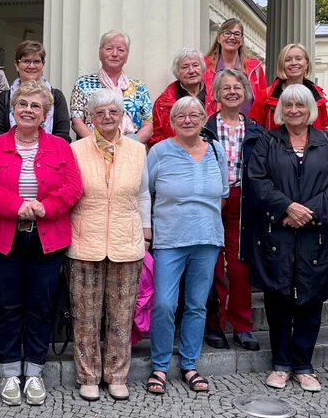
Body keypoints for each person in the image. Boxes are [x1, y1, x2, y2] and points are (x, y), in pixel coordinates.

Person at [0, 81, 82, 407]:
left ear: (45, 113)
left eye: (35, 106)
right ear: (13, 108)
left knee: (41, 304)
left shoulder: (60, 148)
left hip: (47, 237)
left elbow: (73, 186)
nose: (28, 110)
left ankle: (34, 371)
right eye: (22, 104)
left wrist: (45, 207)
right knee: (7, 305)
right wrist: (16, 206)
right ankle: (9, 372)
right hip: (4, 237)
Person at [243, 84, 328, 392]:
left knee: (310, 301)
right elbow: (257, 181)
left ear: (310, 109)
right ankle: (281, 364)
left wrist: (307, 212)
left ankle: (304, 365)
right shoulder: (267, 141)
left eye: (300, 105)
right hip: (279, 232)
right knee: (279, 300)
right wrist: (287, 207)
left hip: (315, 234)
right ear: (280, 110)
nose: (294, 110)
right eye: (288, 106)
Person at [66, 89, 151, 401]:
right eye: (100, 113)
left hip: (125, 238)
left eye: (113, 112)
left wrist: (146, 231)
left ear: (122, 115)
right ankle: (88, 375)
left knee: (121, 313)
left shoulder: (137, 150)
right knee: (85, 314)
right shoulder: (75, 150)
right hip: (85, 237)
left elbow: (142, 194)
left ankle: (117, 375)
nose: (107, 118)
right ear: (91, 117)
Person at [145, 97, 228, 397]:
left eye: (195, 114)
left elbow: (223, 194)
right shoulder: (159, 152)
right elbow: (148, 194)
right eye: (181, 115)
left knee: (196, 304)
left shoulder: (217, 151)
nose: (188, 120)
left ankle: (190, 364)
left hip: (207, 239)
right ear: (172, 120)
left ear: (205, 118)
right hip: (169, 239)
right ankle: (160, 365)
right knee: (165, 303)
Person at [203, 69, 264, 352]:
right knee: (213, 266)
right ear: (216, 94)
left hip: (243, 201)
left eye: (237, 87)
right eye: (225, 87)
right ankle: (215, 325)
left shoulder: (255, 130)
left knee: (240, 267)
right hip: (211, 201)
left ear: (245, 93)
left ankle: (243, 326)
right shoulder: (205, 129)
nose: (231, 92)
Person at [69, 30, 153, 142]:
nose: (114, 54)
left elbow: (148, 124)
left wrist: (130, 146)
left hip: (131, 151)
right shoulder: (83, 83)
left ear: (126, 56)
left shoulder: (139, 87)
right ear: (100, 54)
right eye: (109, 49)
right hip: (92, 148)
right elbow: (76, 121)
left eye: (121, 50)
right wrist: (99, 145)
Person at [0, 40, 71, 142]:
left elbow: (62, 135)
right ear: (16, 65)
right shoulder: (4, 98)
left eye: (37, 61)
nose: (32, 66)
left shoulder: (56, 97)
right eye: (26, 61)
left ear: (43, 65)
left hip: (49, 155)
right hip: (10, 155)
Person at [250, 44, 328, 130]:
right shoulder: (265, 96)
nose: (294, 63)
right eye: (288, 60)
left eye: (298, 59)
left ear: (306, 64)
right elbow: (255, 129)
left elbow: (323, 128)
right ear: (282, 65)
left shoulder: (318, 96)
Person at [202, 18, 267, 117]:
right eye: (227, 33)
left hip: (249, 127)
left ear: (241, 41)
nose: (232, 37)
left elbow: (264, 100)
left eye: (237, 34)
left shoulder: (255, 67)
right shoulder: (205, 65)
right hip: (213, 125)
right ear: (219, 38)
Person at [152, 48, 207, 143]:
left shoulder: (217, 97)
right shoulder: (162, 103)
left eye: (195, 65)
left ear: (202, 69)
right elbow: (155, 137)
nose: (191, 71)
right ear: (177, 73)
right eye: (185, 67)